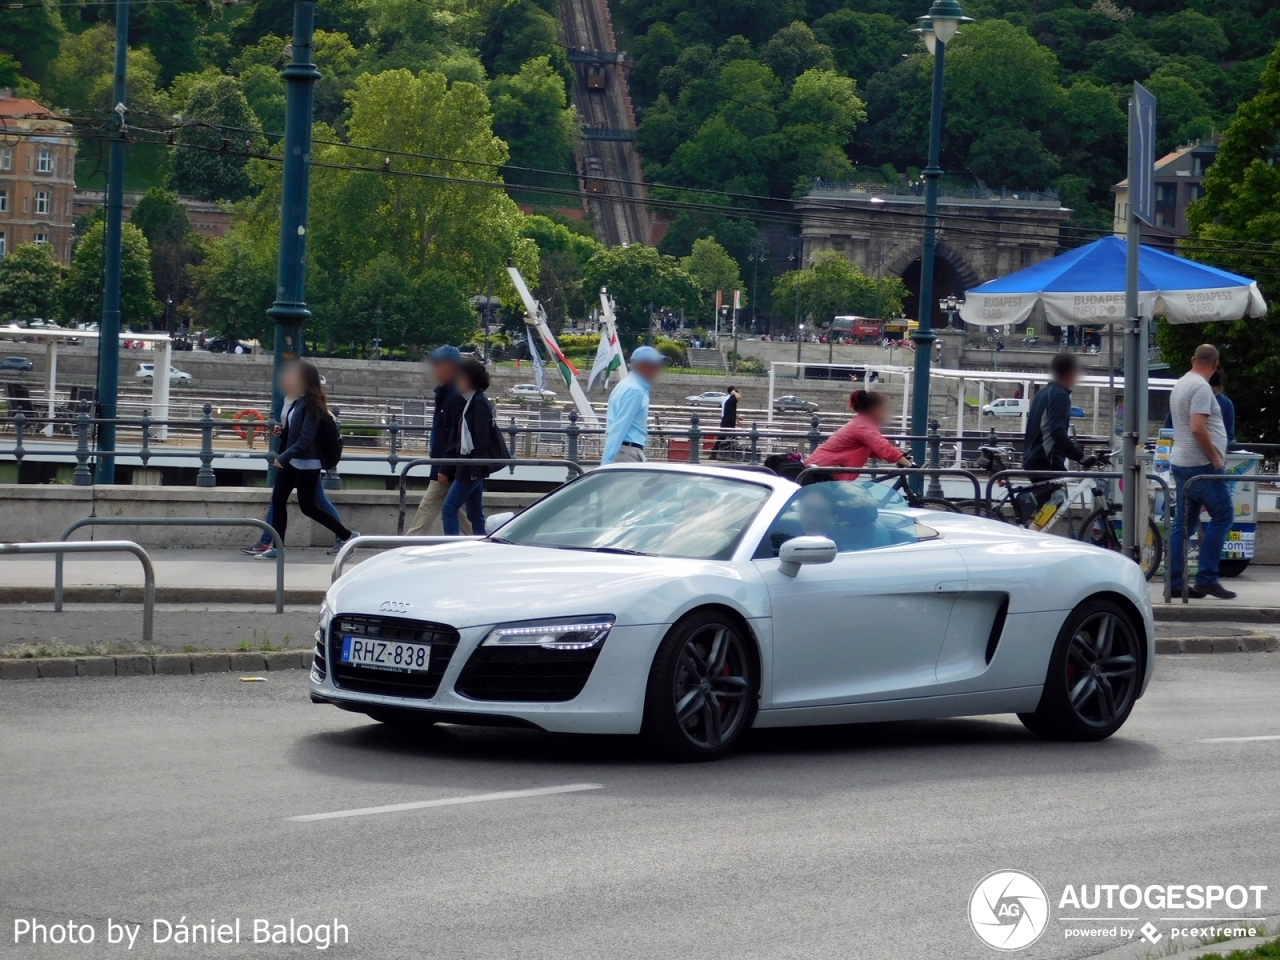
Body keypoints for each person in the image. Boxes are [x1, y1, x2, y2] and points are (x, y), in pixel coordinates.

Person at [264, 360, 356, 557]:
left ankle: (348, 535)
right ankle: (277, 547)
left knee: (309, 507)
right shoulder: (298, 401)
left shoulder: (312, 405)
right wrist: (283, 432)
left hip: (306, 463)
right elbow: (295, 431)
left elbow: (306, 439)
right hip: (292, 460)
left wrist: (284, 456)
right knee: (278, 500)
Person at [1168, 344, 1236, 600]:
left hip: (1182, 462)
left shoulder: (1182, 383)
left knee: (1182, 525)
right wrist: (1216, 458)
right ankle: (1207, 578)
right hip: (1202, 465)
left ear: (1192, 359)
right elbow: (1198, 427)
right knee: (1223, 515)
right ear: (1216, 363)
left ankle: (1174, 583)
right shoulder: (1200, 388)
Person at [406, 345, 472, 536]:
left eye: (437, 363)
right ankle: (481, 539)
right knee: (455, 508)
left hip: (447, 464)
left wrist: (444, 466)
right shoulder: (446, 392)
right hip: (446, 462)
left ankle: (407, 544)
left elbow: (455, 433)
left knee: (428, 505)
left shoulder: (454, 394)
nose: (433, 367)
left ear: (451, 366)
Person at [441, 358, 499, 536]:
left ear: (470, 380)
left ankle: (450, 546)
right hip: (469, 464)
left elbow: (481, 437)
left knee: (449, 508)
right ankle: (481, 544)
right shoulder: (470, 400)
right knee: (475, 513)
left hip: (471, 466)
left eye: (460, 378)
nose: (457, 382)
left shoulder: (477, 402)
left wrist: (475, 467)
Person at [805, 389, 911, 478]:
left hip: (824, 470)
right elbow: (882, 446)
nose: (885, 412)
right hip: (824, 473)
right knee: (863, 499)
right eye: (882, 409)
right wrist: (909, 465)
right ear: (874, 409)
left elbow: (874, 449)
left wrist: (899, 455)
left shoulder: (860, 423)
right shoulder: (863, 426)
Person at [1022, 352, 1087, 473]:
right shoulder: (1059, 396)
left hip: (1034, 459)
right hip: (1047, 463)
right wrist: (1081, 457)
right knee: (1058, 491)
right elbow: (1057, 432)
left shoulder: (1043, 393)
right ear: (1070, 372)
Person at [601, 345, 664, 464]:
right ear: (640, 366)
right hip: (627, 452)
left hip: (623, 451)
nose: (656, 370)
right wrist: (605, 462)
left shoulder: (625, 385)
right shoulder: (636, 391)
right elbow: (620, 427)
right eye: (652, 366)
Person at [712, 385, 741, 460]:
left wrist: (737, 419)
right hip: (727, 422)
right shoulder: (731, 399)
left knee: (728, 438)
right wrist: (734, 392)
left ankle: (721, 453)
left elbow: (730, 411)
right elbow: (739, 397)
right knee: (724, 438)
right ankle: (717, 453)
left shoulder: (728, 400)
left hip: (727, 420)